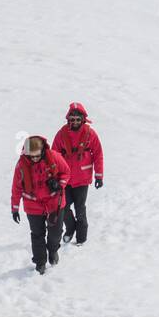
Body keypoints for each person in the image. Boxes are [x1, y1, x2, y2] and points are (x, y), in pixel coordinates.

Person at [11, 134, 70, 275]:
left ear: (42, 151)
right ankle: (40, 262)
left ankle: (53, 250)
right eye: (32, 156)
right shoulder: (21, 165)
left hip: (54, 202)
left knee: (55, 234)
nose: (35, 159)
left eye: (37, 156)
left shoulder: (54, 158)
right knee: (37, 235)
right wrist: (15, 208)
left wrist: (59, 184)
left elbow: (66, 172)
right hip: (33, 205)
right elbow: (16, 187)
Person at [53, 103, 104, 247]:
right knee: (63, 207)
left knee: (80, 208)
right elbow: (54, 156)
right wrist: (53, 177)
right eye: (72, 119)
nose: (75, 122)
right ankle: (70, 229)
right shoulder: (61, 134)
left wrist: (99, 176)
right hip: (65, 179)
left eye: (77, 119)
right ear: (68, 119)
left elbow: (98, 154)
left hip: (82, 179)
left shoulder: (90, 134)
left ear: (82, 119)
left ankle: (81, 238)